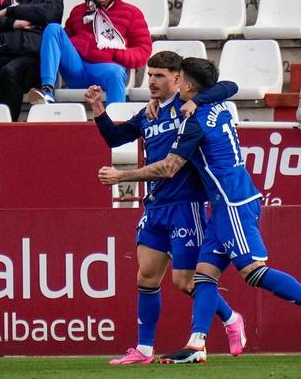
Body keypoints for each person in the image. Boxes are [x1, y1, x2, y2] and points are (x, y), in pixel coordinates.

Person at [98, 57, 301, 363]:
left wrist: (121, 176)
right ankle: (196, 344)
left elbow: (170, 167)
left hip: (233, 203)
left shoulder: (194, 120)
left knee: (253, 273)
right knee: (203, 277)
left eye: (162, 76)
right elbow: (227, 87)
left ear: (184, 84)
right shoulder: (218, 106)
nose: (153, 81)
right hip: (219, 205)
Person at [86, 51, 245, 365]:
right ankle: (144, 351)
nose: (152, 81)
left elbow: (229, 86)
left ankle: (230, 318)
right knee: (146, 277)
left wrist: (197, 101)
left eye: (160, 75)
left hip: (186, 206)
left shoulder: (190, 108)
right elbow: (115, 139)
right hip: (156, 206)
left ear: (178, 79)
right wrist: (98, 110)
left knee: (185, 281)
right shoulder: (148, 113)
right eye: (150, 75)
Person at [27, 0, 151, 105]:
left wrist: (116, 54)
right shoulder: (78, 11)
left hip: (104, 70)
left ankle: (115, 121)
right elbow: (62, 41)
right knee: (53, 28)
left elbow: (143, 49)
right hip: (76, 68)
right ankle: (47, 90)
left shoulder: (131, 12)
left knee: (116, 72)